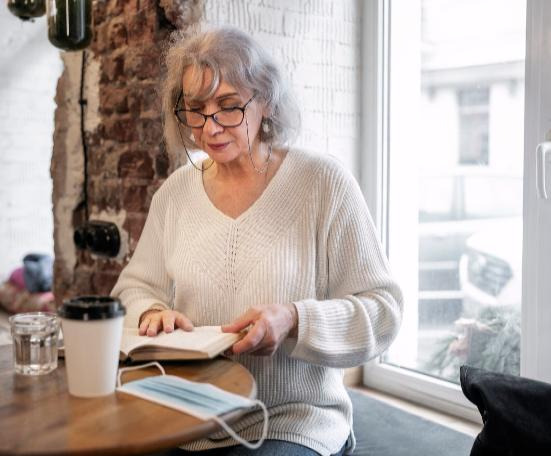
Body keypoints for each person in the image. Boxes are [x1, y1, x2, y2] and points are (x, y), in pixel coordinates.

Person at [111, 25, 402, 456]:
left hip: (293, 418)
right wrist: (153, 311)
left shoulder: (322, 183)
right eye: (196, 109)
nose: (210, 128)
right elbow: (134, 288)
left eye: (229, 106)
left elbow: (383, 311)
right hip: (190, 413)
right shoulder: (175, 194)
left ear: (265, 101)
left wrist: (295, 320)